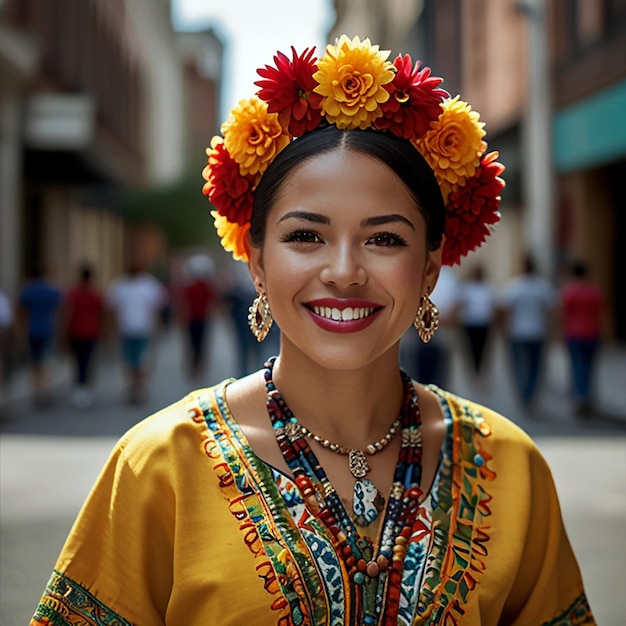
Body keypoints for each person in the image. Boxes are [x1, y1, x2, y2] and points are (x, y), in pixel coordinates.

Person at [32, 36, 593, 625]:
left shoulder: (508, 466)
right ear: (256, 262)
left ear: (429, 266)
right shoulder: (160, 467)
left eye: (384, 239)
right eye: (305, 236)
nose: (345, 272)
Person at [499, 254, 557, 411]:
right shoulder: (542, 287)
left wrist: (505, 331)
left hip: (518, 333)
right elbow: (550, 312)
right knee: (535, 367)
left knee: (519, 366)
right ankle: (529, 394)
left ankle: (523, 393)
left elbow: (507, 312)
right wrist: (552, 332)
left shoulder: (514, 287)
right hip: (537, 332)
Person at [106, 263, 168, 404]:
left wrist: (157, 328)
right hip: (126, 330)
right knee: (129, 360)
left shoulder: (149, 285)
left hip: (144, 330)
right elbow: (113, 310)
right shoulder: (120, 286)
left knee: (142, 360)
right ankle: (132, 386)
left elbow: (156, 308)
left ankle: (139, 386)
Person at [559, 259, 605, 415]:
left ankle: (580, 395)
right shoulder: (594, 291)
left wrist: (561, 333)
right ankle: (586, 395)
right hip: (592, 334)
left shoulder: (570, 291)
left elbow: (564, 314)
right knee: (589, 366)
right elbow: (602, 313)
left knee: (577, 366)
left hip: (574, 334)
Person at [17, 265, 63, 405]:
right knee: (46, 359)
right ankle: (46, 388)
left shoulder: (28, 291)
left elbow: (19, 309)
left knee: (34, 361)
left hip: (32, 330)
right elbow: (62, 307)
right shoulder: (51, 290)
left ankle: (37, 388)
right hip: (47, 329)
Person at [61, 264, 105, 408]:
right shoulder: (95, 294)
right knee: (88, 360)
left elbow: (67, 313)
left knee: (78, 361)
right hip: (91, 332)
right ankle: (85, 386)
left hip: (76, 332)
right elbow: (102, 314)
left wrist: (63, 332)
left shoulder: (73, 293)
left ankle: (80, 386)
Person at [178, 254, 218, 381]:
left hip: (192, 319)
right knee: (201, 344)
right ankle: (199, 367)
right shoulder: (207, 287)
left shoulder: (190, 287)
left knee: (192, 344)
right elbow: (214, 303)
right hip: (203, 319)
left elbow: (183, 304)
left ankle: (193, 368)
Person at [457, 263, 497, 380]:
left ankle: (480, 371)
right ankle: (473, 371)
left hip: (484, 323)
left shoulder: (488, 288)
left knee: (483, 349)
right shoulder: (468, 288)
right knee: (471, 349)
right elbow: (461, 304)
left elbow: (493, 307)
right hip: (470, 323)